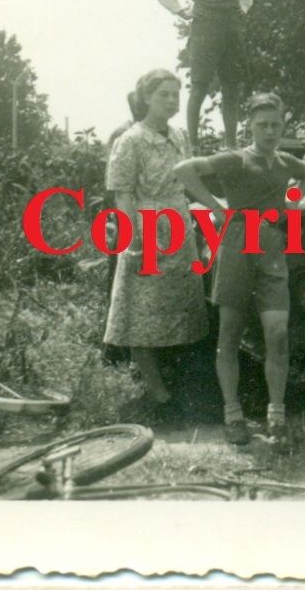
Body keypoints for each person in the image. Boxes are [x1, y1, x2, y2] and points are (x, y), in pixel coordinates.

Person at [173, 92, 305, 447]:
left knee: (277, 333)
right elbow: (184, 170)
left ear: (282, 125)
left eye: (275, 124)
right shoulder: (236, 158)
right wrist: (215, 208)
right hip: (237, 243)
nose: (270, 131)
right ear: (249, 126)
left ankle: (276, 416)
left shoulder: (284, 162)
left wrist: (292, 202)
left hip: (271, 246)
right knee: (230, 334)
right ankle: (233, 415)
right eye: (262, 124)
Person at [105, 69, 211, 408]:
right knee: (141, 311)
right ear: (147, 98)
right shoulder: (130, 140)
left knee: (182, 307)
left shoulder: (179, 136)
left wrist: (216, 208)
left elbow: (189, 181)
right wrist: (133, 242)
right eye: (163, 93)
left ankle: (183, 385)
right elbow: (123, 195)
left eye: (175, 94)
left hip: (179, 227)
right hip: (146, 229)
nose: (171, 100)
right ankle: (157, 393)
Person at [153, 0, 254, 150]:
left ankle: (231, 145)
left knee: (232, 85)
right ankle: (194, 147)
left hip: (231, 27)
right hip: (205, 27)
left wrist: (243, 8)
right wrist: (180, 10)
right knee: (200, 85)